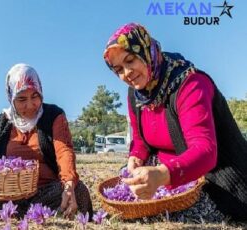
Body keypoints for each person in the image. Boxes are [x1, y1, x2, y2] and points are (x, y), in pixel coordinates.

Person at [103, 23, 247, 221]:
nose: (126, 73)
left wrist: (161, 176)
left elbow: (205, 151)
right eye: (118, 69)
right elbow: (140, 139)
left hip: (216, 177)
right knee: (129, 208)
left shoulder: (190, 84)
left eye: (130, 60)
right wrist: (135, 157)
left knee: (161, 217)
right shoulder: (136, 93)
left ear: (146, 51)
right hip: (170, 173)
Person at [0, 63, 93, 219]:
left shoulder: (53, 115)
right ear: (11, 98)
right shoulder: (1, 123)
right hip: (5, 196)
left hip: (45, 192)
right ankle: (13, 214)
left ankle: (16, 215)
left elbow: (64, 150)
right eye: (22, 99)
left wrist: (69, 185)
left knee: (78, 190)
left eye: (35, 96)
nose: (30, 105)